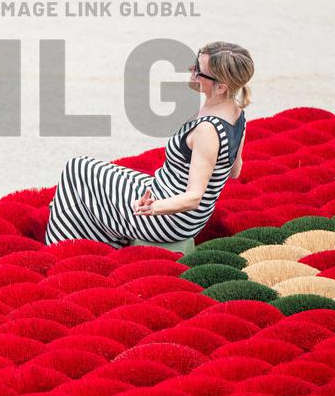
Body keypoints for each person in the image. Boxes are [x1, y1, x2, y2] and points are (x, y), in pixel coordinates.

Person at [45, 41, 253, 247]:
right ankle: (86, 229)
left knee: (77, 168)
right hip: (172, 198)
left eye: (199, 70)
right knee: (96, 174)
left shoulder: (207, 130)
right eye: (195, 64)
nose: (192, 70)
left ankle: (59, 246)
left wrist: (154, 207)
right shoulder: (236, 113)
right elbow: (235, 171)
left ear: (220, 87)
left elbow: (193, 197)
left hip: (171, 219)